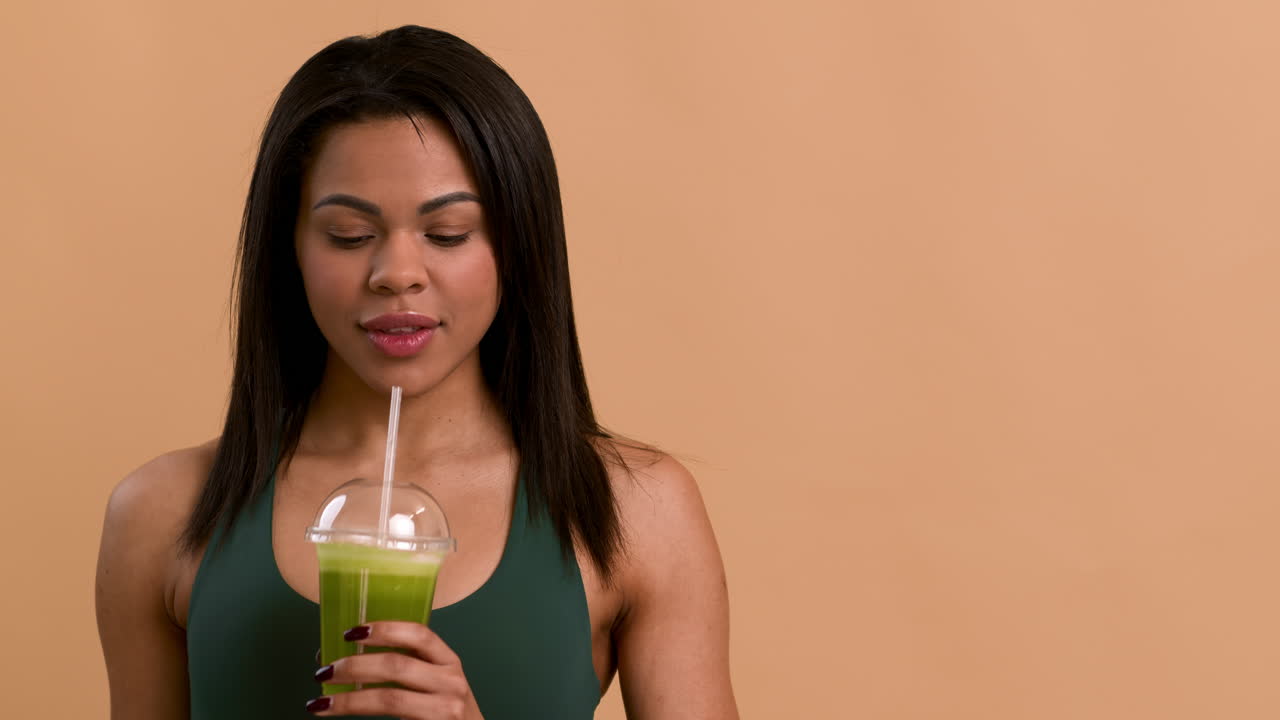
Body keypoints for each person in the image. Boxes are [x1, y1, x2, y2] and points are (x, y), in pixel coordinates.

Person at [94, 25, 738, 720]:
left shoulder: (637, 510)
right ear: (291, 247)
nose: (397, 274)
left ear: (518, 242)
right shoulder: (162, 515)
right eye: (349, 234)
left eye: (448, 233)